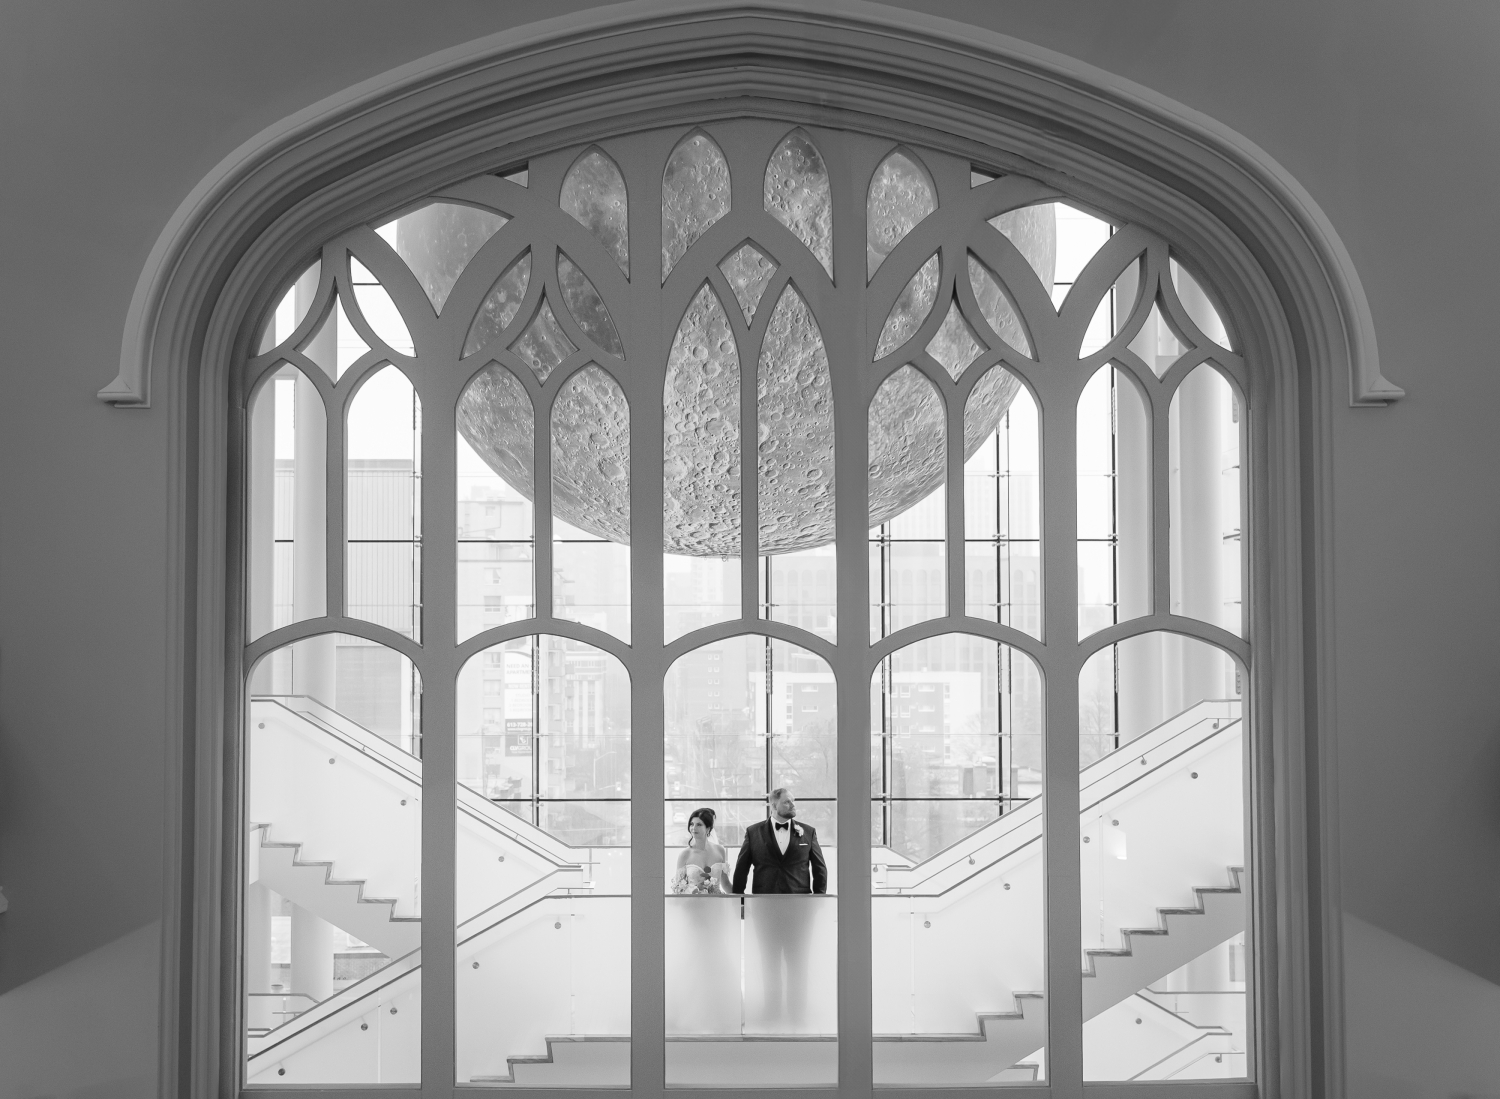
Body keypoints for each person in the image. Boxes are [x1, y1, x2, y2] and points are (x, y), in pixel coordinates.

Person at [731, 788, 827, 1030]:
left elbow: (820, 869)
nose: (793, 804)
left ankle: (797, 1013)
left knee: (798, 962)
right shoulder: (754, 833)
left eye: (793, 800)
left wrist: (817, 901)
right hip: (766, 911)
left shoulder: (808, 831)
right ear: (773, 807)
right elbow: (741, 870)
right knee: (769, 962)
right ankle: (771, 1011)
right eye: (787, 802)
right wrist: (739, 903)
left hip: (799, 911)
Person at [670, 807, 730, 895]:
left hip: (717, 904)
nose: (693, 828)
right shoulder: (684, 854)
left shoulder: (720, 850)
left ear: (708, 829)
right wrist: (694, 890)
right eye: (691, 824)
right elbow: (678, 888)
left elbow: (726, 884)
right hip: (693, 905)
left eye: (699, 824)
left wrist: (743, 899)